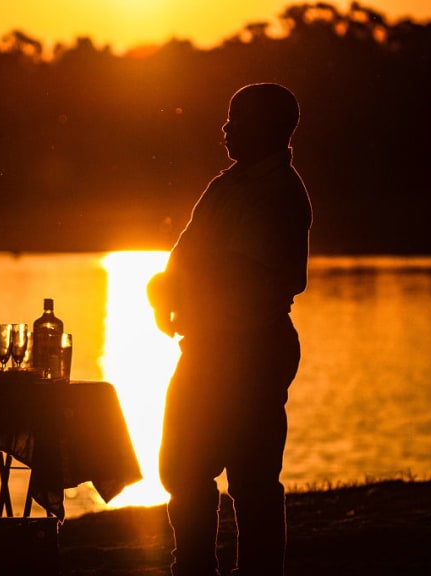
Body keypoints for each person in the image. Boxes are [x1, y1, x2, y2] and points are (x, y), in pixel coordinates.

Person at [147, 83, 312, 576]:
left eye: (236, 120)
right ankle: (193, 565)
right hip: (206, 346)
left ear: (267, 129)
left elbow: (245, 271)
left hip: (252, 348)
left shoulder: (280, 192)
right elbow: (184, 258)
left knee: (252, 479)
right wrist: (162, 288)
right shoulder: (225, 186)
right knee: (181, 465)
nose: (225, 130)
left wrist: (185, 281)